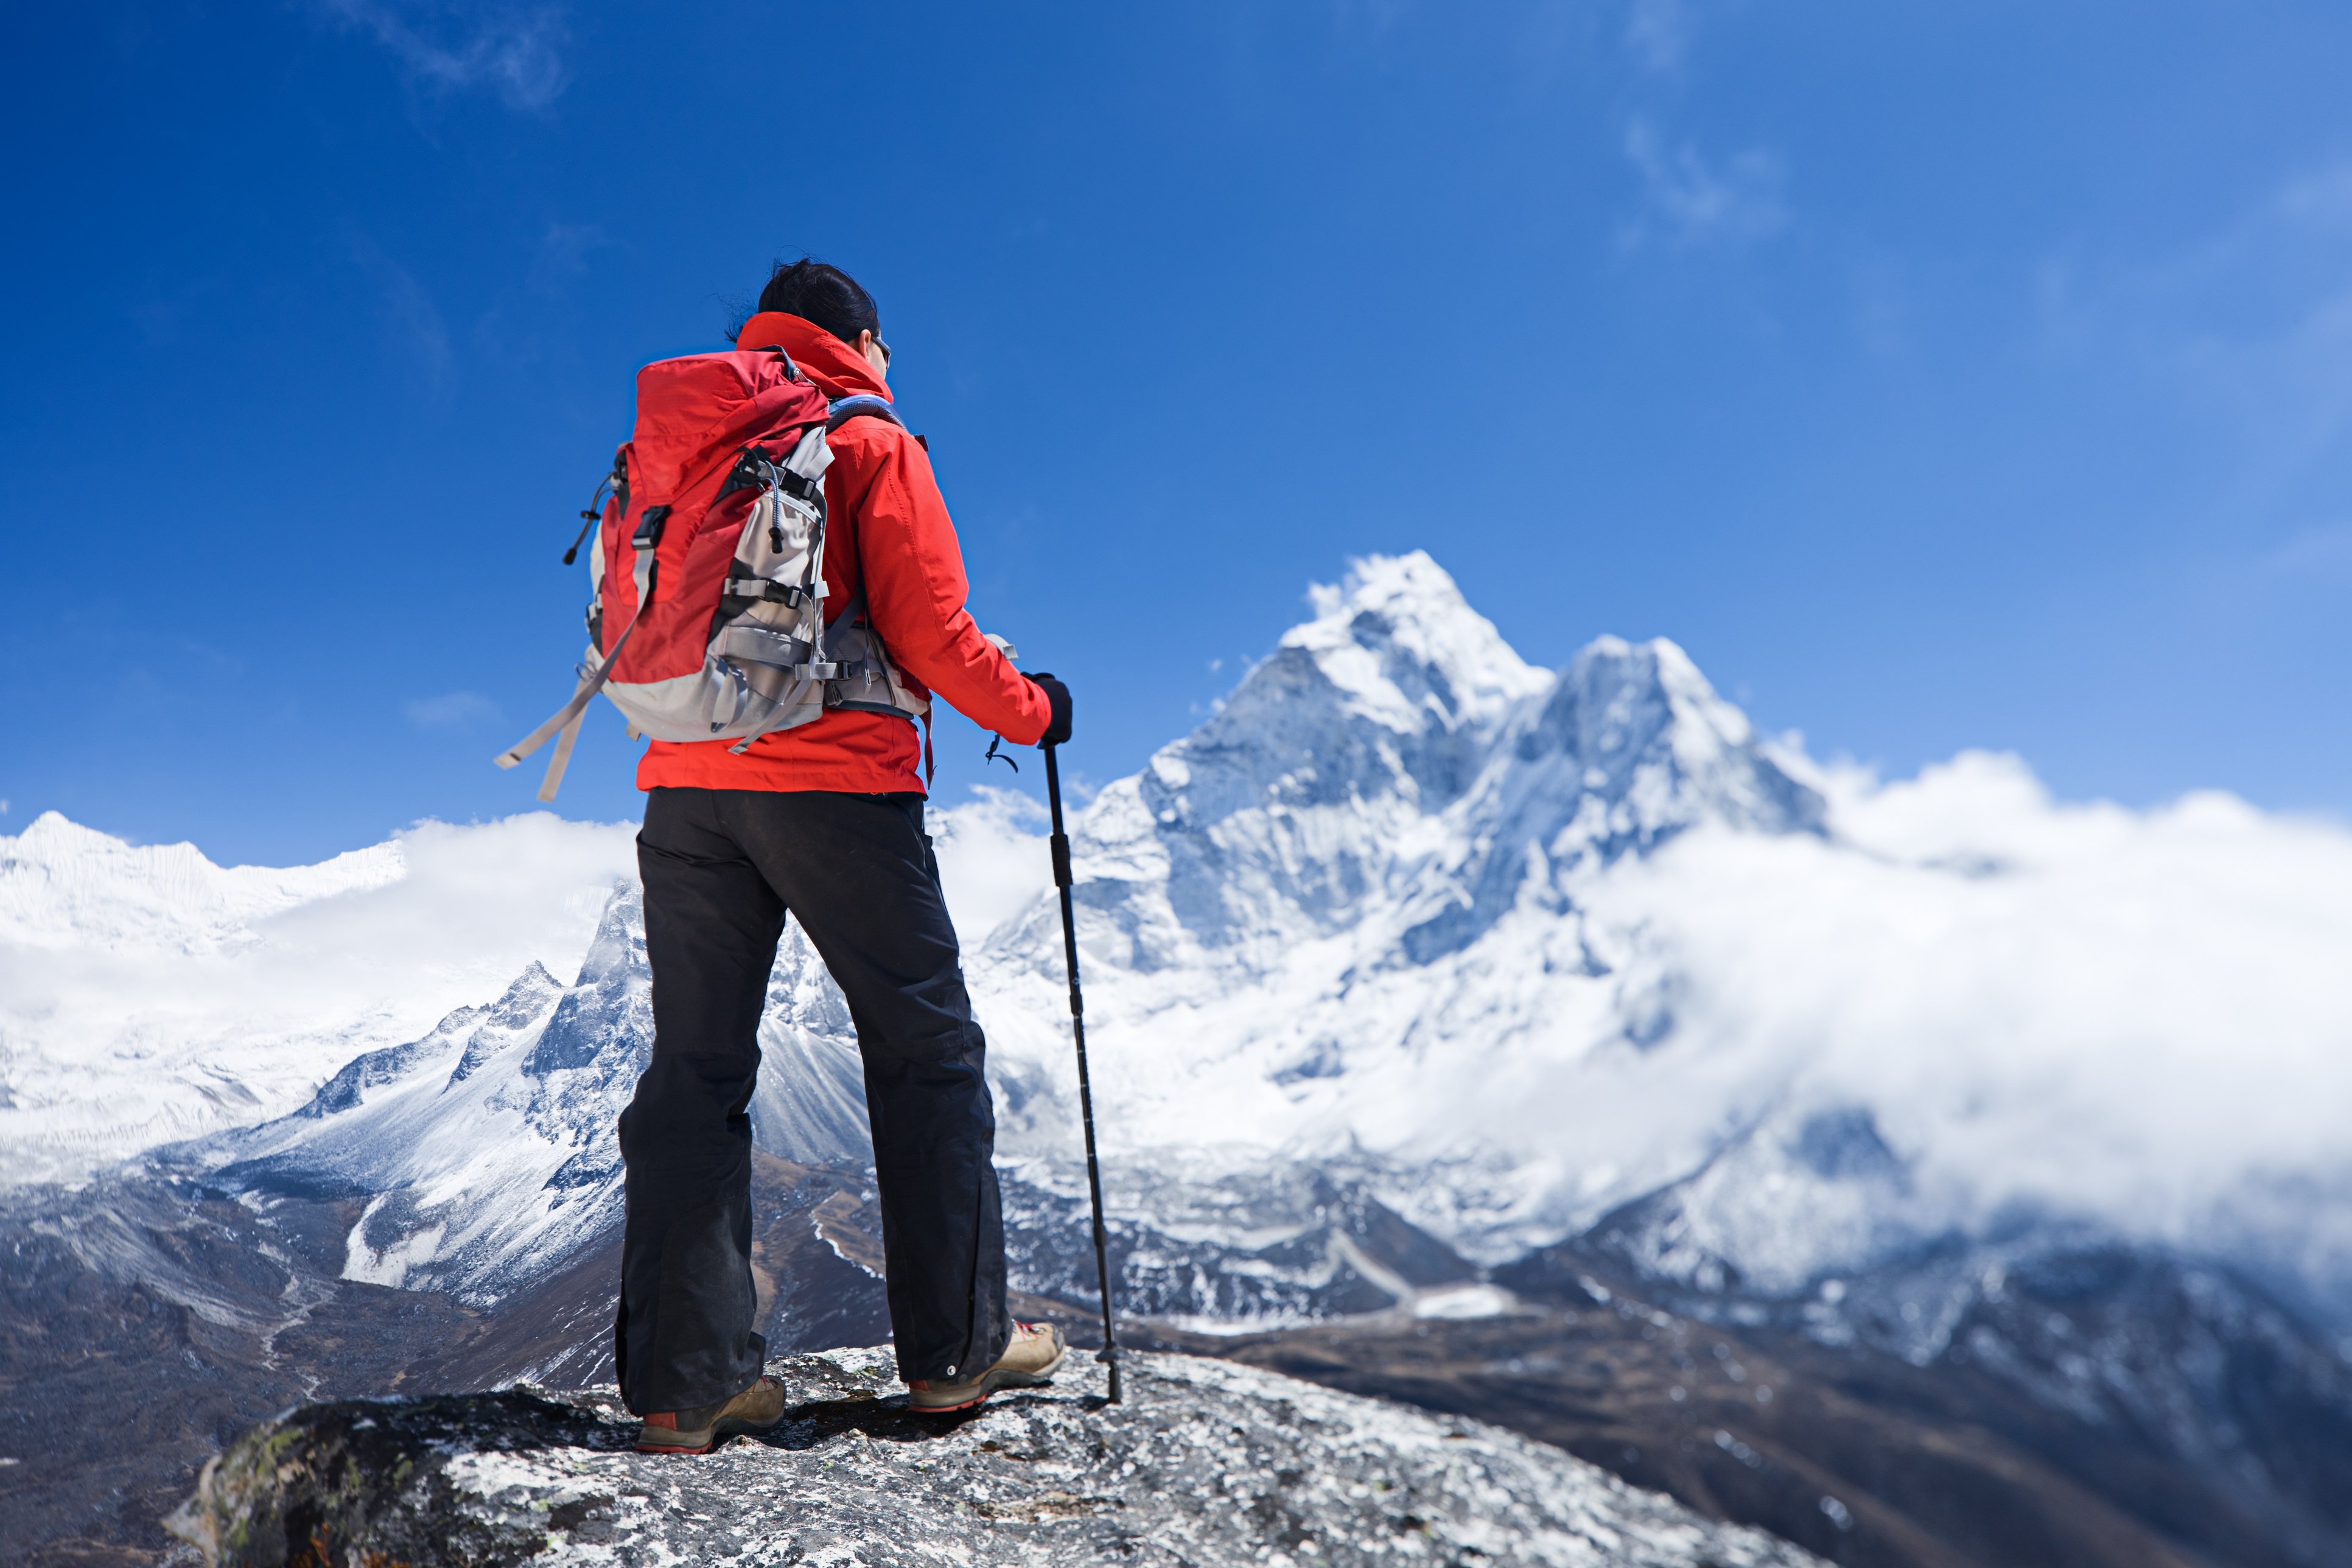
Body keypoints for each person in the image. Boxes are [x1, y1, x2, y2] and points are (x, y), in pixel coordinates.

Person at [618, 259, 1074, 1454]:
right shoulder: (867, 441)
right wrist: (1034, 708)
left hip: (685, 790)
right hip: (834, 789)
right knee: (928, 1053)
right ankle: (956, 1354)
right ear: (862, 342)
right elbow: (935, 632)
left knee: (695, 1073)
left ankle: (686, 1388)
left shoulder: (686, 447)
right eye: (885, 348)